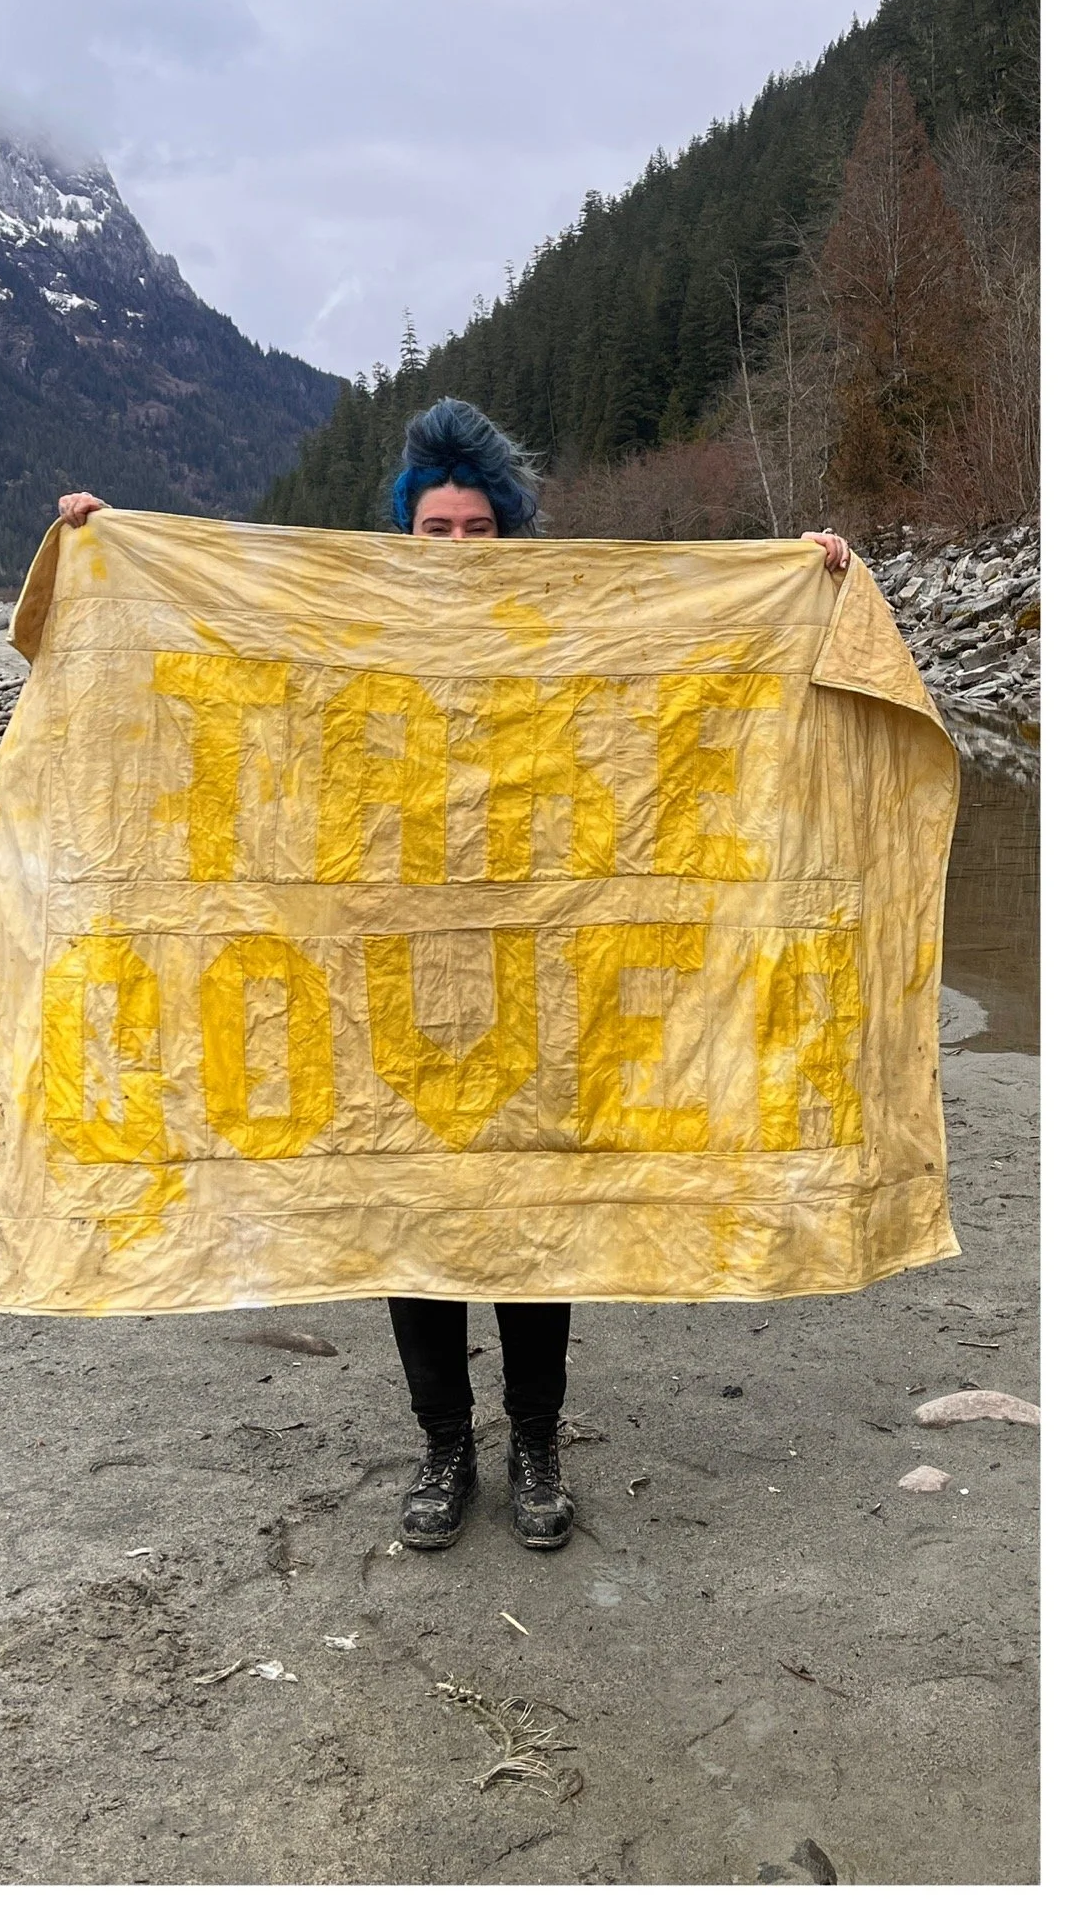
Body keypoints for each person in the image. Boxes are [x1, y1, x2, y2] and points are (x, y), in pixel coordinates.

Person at [55, 397, 850, 1554]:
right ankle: (444, 1446)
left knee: (534, 1216)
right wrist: (102, 543)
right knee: (411, 1209)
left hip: (546, 963)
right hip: (392, 967)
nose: (458, 548)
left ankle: (533, 1442)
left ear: (508, 533)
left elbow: (675, 657)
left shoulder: (564, 629)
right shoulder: (353, 624)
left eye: (479, 528)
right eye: (437, 529)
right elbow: (242, 649)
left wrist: (801, 577)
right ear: (403, 532)